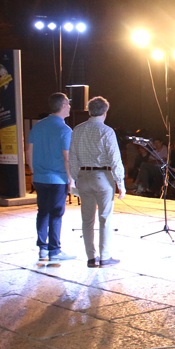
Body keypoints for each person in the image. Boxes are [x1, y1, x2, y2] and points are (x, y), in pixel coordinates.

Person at [69, 97, 125, 268]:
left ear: (89, 110)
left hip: (83, 177)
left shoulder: (77, 130)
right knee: (105, 218)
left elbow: (72, 157)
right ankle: (105, 256)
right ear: (105, 112)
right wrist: (120, 183)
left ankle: (91, 258)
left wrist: (74, 178)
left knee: (87, 220)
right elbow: (115, 159)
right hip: (102, 176)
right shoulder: (107, 131)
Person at [25, 92, 76, 262]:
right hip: (57, 179)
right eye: (68, 104)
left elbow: (29, 151)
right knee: (56, 214)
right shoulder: (64, 130)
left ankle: (42, 248)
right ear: (62, 106)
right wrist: (71, 179)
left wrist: (33, 171)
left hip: (40, 177)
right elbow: (66, 157)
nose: (69, 107)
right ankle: (55, 250)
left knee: (42, 212)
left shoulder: (38, 126)